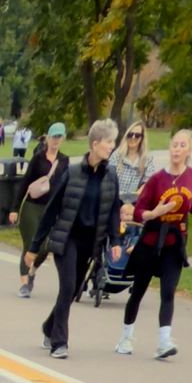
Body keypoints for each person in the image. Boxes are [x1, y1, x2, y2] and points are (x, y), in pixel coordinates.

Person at [118, 127, 192, 361]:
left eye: (182, 145)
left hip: (175, 243)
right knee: (138, 291)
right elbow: (138, 212)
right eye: (174, 145)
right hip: (150, 242)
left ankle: (163, 342)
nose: (177, 149)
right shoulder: (157, 179)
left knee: (168, 292)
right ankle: (126, 336)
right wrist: (154, 212)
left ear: (189, 150)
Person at [35, 118, 121, 359]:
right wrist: (34, 247)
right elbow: (51, 209)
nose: (112, 146)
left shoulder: (110, 176)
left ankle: (49, 326)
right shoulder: (72, 172)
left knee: (72, 292)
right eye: (109, 141)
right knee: (68, 287)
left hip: (90, 243)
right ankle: (59, 342)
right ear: (95, 144)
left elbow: (113, 210)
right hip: (67, 240)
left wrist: (115, 241)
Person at [13, 126, 66, 296]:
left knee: (45, 246)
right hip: (31, 207)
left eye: (59, 137)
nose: (56, 140)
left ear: (62, 139)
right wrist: (14, 209)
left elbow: (65, 187)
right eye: (53, 136)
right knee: (30, 244)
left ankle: (32, 270)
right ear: (47, 138)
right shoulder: (38, 158)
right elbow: (25, 183)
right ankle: (24, 283)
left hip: (51, 209)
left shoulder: (64, 161)